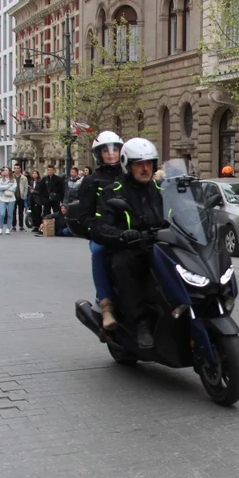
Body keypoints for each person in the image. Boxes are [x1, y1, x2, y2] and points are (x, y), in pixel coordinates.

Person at [90, 138, 166, 349]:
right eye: (139, 164)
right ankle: (140, 322)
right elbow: (99, 227)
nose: (145, 168)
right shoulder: (113, 192)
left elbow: (181, 211)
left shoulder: (161, 188)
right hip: (130, 248)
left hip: (159, 245)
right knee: (123, 264)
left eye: (149, 163)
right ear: (127, 164)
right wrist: (122, 235)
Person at [79, 131, 124, 329]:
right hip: (104, 234)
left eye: (115, 149)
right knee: (98, 252)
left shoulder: (130, 175)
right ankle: (105, 304)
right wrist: (96, 230)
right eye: (106, 150)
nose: (111, 154)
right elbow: (84, 215)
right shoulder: (91, 181)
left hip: (130, 230)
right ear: (99, 154)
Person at [0, 167, 16, 235]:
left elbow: (13, 189)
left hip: (11, 198)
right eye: (4, 170)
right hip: (2, 198)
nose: (5, 172)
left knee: (10, 214)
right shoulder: (1, 179)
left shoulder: (13, 180)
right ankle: (0, 228)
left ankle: (8, 228)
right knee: (2, 214)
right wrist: (8, 186)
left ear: (9, 172)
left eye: (6, 170)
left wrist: (4, 187)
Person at [11, 165, 28, 231]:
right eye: (15, 168)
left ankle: (21, 225)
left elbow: (26, 187)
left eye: (18, 168)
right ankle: (14, 225)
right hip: (13, 197)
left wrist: (24, 195)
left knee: (21, 212)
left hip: (21, 196)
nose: (16, 170)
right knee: (13, 212)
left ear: (20, 169)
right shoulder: (11, 177)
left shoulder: (24, 178)